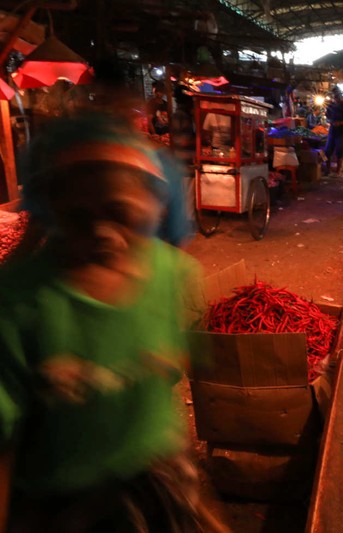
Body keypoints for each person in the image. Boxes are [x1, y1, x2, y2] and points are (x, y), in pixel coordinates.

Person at [0, 112, 229, 532]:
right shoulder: (17, 303)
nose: (104, 233)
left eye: (120, 212)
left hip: (158, 482)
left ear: (152, 206)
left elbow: (164, 393)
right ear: (52, 207)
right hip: (60, 505)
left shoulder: (172, 276)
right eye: (79, 217)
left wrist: (192, 496)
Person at [323, 87, 343, 176]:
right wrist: (330, 122)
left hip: (342, 132)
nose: (335, 98)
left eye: (337, 96)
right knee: (327, 151)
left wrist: (340, 123)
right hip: (332, 131)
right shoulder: (330, 106)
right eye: (334, 96)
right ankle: (327, 169)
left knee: (340, 151)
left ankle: (338, 171)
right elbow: (327, 118)